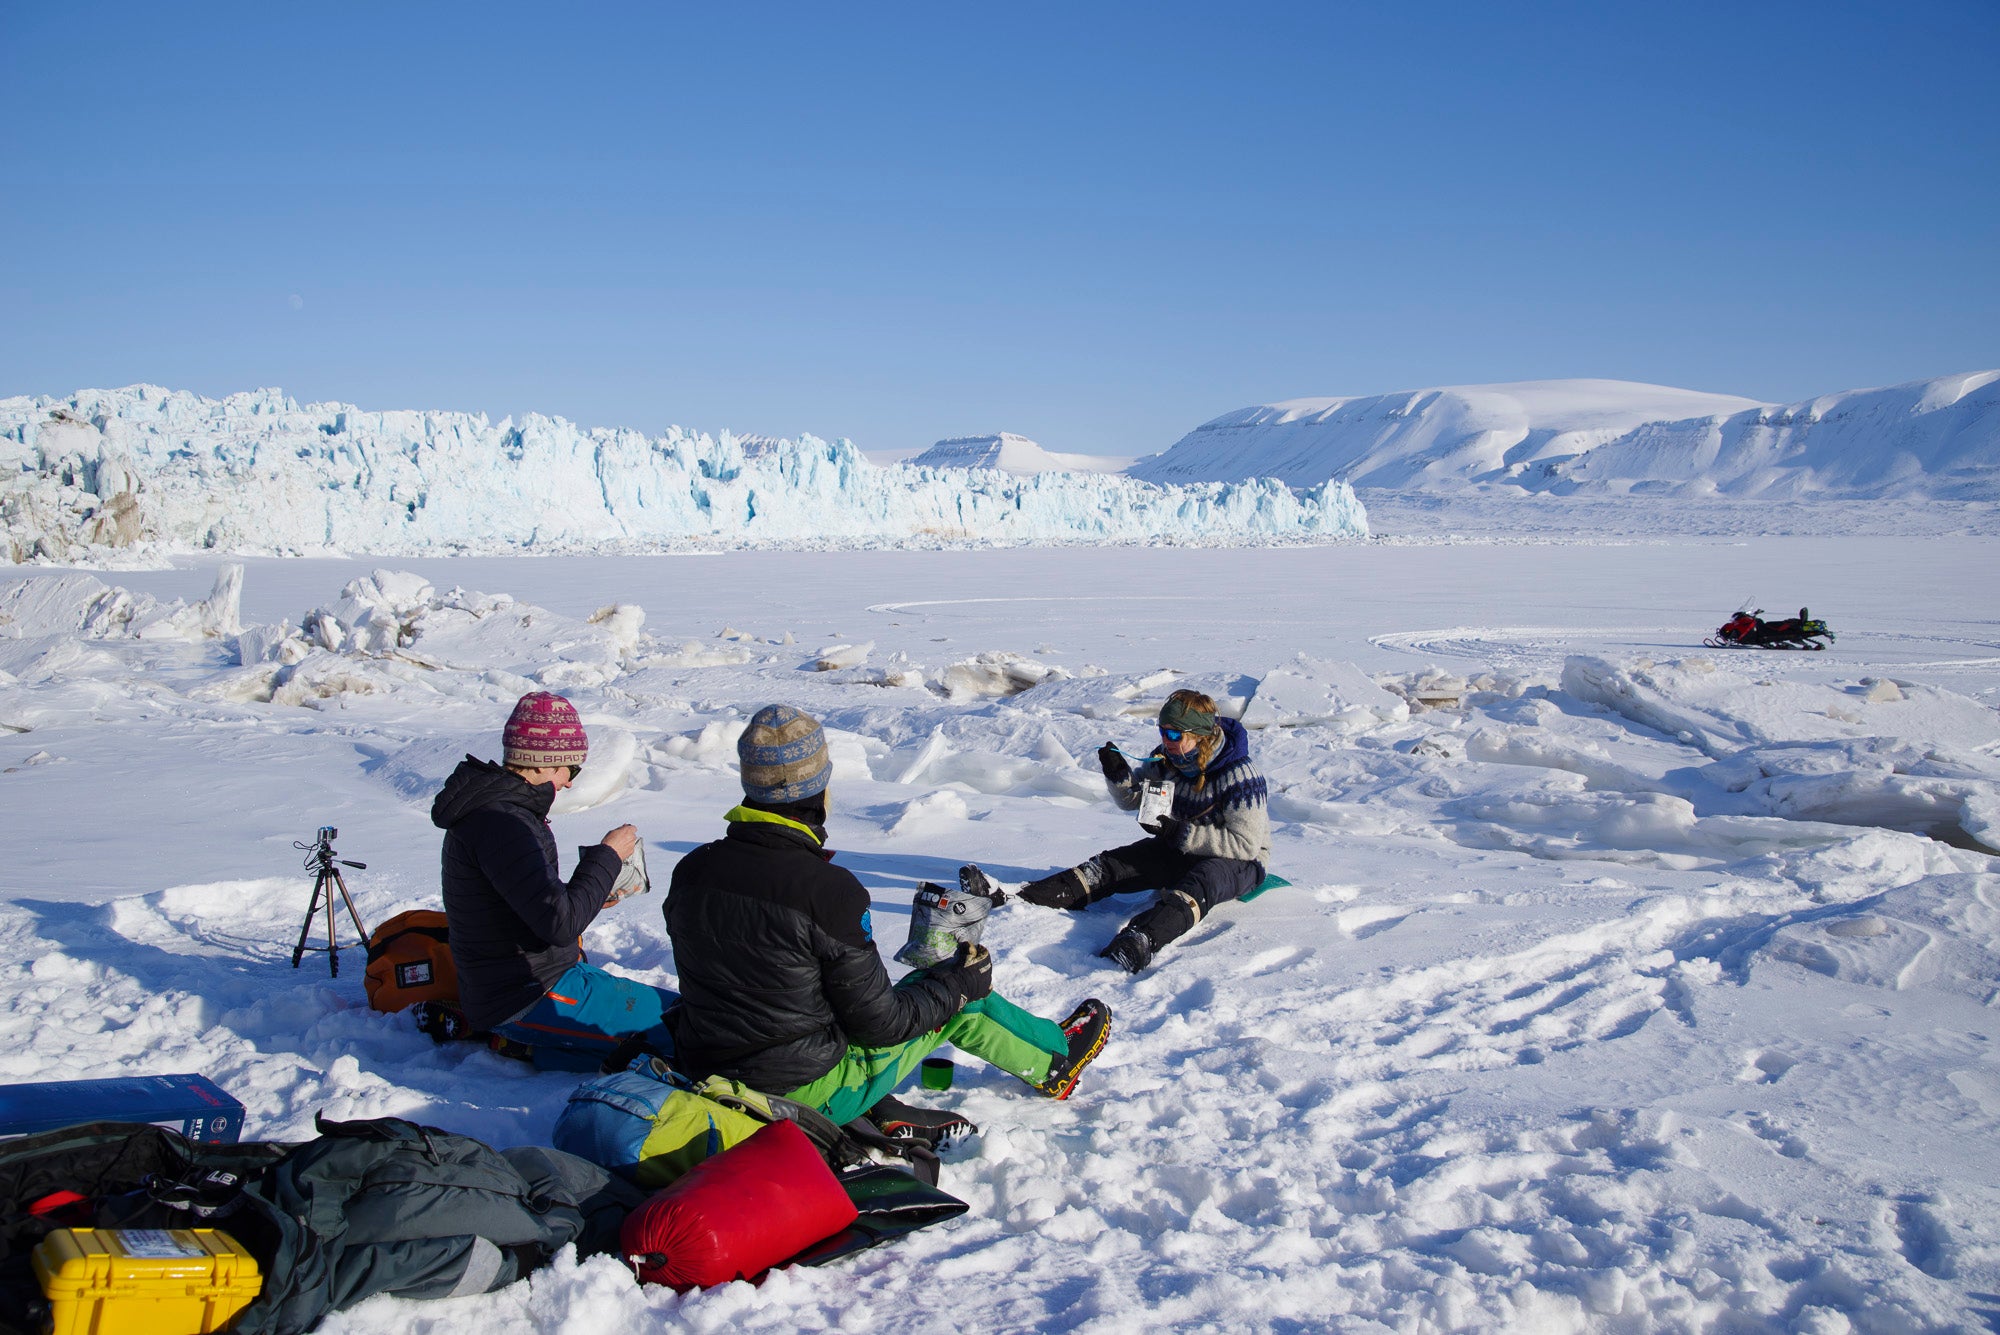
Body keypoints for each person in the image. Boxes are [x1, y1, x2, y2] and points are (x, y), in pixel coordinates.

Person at [663, 704, 1111, 1123]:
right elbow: (882, 1025)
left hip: (710, 1068)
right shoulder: (827, 890)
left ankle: (1041, 1043)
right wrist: (958, 984)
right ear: (819, 788)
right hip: (798, 1093)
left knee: (934, 988)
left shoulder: (692, 869)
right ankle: (1057, 1060)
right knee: (958, 999)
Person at [432, 691, 676, 1068]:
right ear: (544, 764)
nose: (570, 783)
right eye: (571, 769)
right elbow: (560, 924)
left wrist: (592, 893)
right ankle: (523, 1038)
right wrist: (608, 856)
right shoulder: (503, 824)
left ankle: (522, 1046)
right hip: (532, 993)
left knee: (658, 1035)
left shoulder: (498, 813)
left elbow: (527, 902)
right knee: (687, 1026)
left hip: (516, 989)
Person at [966, 688, 1270, 973]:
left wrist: (1180, 833)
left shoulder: (1240, 776)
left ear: (1199, 736)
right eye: (1163, 731)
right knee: (1112, 865)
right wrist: (1118, 774)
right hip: (1182, 847)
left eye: (1174, 733)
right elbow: (1133, 800)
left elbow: (1245, 844)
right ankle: (1019, 897)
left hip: (1239, 863)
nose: (1166, 739)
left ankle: (1140, 940)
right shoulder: (1167, 761)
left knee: (1201, 882)